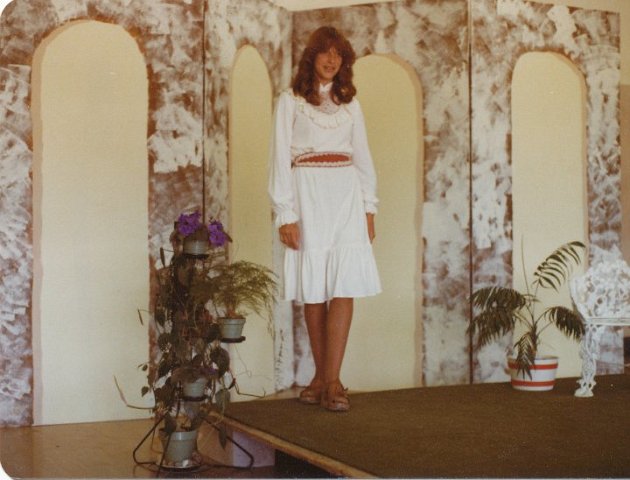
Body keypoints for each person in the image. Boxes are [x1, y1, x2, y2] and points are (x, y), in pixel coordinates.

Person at [268, 26, 381, 412]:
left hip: (345, 195)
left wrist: (369, 208)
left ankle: (329, 381)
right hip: (307, 195)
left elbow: (363, 157)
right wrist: (285, 213)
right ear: (312, 57)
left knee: (343, 285)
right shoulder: (291, 101)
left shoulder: (350, 104)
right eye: (325, 52)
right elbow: (279, 158)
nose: (332, 60)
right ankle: (326, 380)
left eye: (338, 54)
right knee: (314, 287)